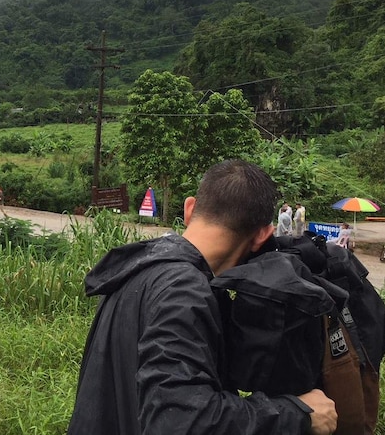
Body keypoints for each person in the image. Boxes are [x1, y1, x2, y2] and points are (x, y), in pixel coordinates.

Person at [67, 159, 337, 435]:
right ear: (263, 236)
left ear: (189, 209)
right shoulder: (184, 290)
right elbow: (180, 422)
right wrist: (297, 415)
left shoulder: (138, 268)